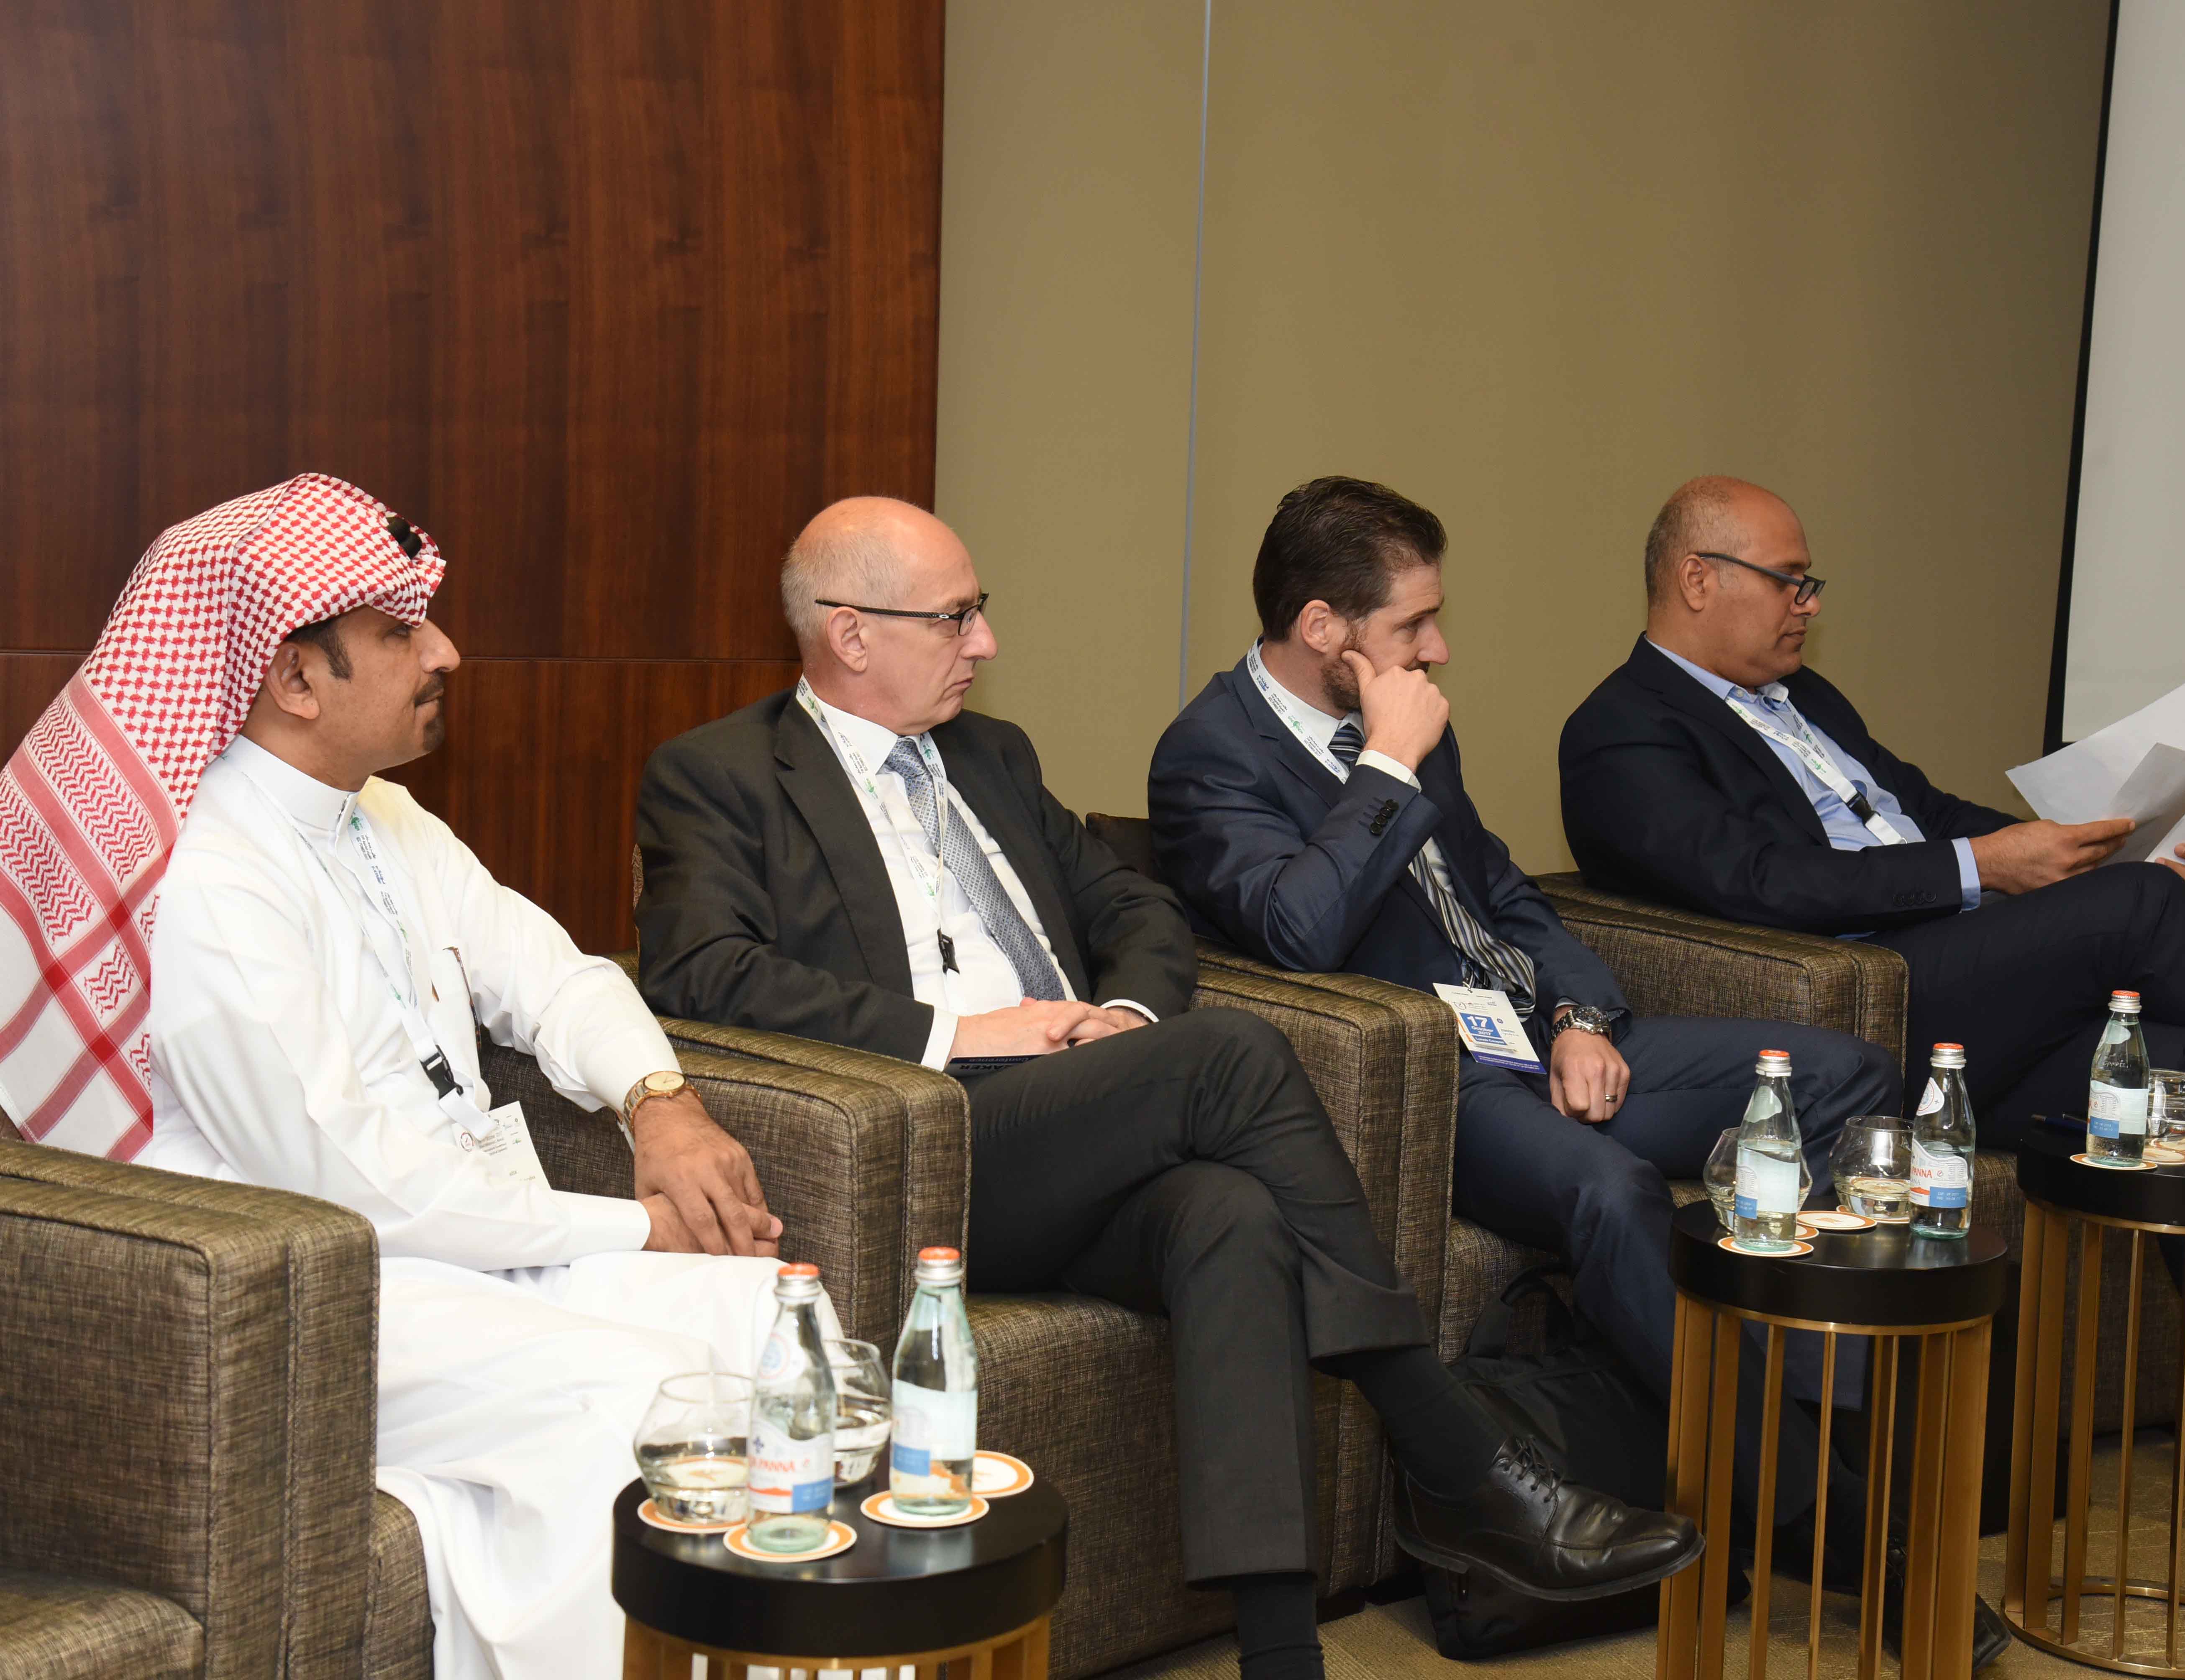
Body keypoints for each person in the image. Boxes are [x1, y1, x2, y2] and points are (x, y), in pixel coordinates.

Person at [633, 497, 1697, 1680]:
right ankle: (1457, 1458)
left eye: (981, 611)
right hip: (935, 1140)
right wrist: (963, 1031)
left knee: (1230, 1219)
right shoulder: (721, 775)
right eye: (956, 618)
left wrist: (1128, 1021)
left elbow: (1133, 906)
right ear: (851, 633)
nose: (985, 642)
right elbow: (703, 972)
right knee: (1231, 1052)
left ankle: (1283, 1658)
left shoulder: (993, 755)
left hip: (1085, 1116)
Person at [1560, 472, 2185, 1603]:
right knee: (2142, 916)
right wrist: (2001, 873)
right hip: (1865, 1020)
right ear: (1697, 579)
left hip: (1977, 1006)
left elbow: (1925, 813)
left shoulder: (1807, 699)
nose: (1808, 606)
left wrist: (2085, 853)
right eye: (1789, 582)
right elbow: (1755, 881)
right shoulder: (1621, 732)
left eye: (1813, 585)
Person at [1147, 476, 2007, 1670]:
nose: (1438, 649)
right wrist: (1387, 766)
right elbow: (1296, 931)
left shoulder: (1414, 717)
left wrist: (1579, 1015)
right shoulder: (1210, 756)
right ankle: (1840, 1525)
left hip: (1542, 1041)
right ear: (1322, 627)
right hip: (1436, 1084)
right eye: (1413, 624)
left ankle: (1811, 1433)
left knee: (1847, 1079)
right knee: (1613, 1192)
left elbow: (1503, 894)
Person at [0, 475, 792, 1680]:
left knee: (773, 1322)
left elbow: (555, 975)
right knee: (640, 1395)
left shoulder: (382, 816)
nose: (447, 653)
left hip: (465, 1243)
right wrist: (638, 1226)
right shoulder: (207, 878)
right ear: (293, 677)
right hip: (312, 1288)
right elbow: (352, 1187)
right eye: (400, 632)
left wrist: (660, 1106)